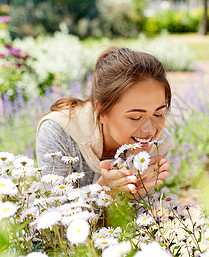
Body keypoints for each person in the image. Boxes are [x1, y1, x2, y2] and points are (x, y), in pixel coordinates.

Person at [36, 47, 174, 196]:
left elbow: (141, 216)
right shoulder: (58, 132)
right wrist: (104, 189)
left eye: (159, 114)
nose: (150, 130)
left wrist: (135, 195)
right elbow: (54, 210)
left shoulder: (158, 142)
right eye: (135, 117)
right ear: (101, 111)